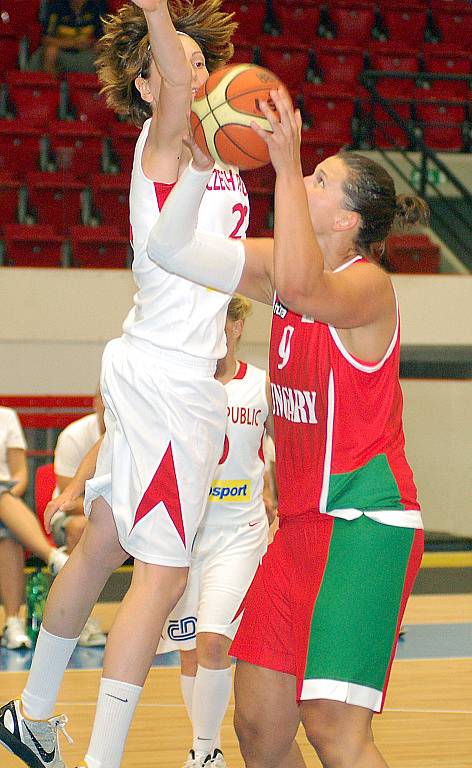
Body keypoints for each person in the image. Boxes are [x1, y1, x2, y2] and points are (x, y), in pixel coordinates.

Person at [142, 87, 428, 768]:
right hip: (299, 528)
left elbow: (303, 288)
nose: (301, 180)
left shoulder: (368, 287)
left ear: (350, 221)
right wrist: (197, 164)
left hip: (365, 523)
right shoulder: (281, 272)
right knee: (259, 729)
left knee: (333, 729)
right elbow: (170, 247)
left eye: (319, 179)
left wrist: (286, 152)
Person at [0, 2, 248, 768]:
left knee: (105, 539)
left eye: (205, 62)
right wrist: (153, 9)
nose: (195, 72)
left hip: (157, 366)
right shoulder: (164, 136)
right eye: (179, 65)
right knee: (165, 576)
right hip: (169, 379)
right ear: (146, 86)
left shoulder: (214, 149)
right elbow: (177, 76)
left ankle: (32, 715)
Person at [158, 295, 275, 768]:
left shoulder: (264, 386)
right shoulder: (181, 385)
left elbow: (285, 449)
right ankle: (207, 745)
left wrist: (282, 502)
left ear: (239, 324)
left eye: (226, 319)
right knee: (189, 653)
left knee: (213, 642)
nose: (217, 329)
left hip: (240, 533)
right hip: (185, 537)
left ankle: (203, 754)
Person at [0, 407, 68, 650]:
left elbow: (20, 475)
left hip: (5, 500)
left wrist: (6, 494)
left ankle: (11, 623)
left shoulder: (6, 417)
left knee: (6, 533)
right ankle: (52, 556)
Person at [51, 390, 107, 647]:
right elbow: (68, 500)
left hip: (122, 515)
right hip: (74, 515)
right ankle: (81, 621)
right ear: (96, 401)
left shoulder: (140, 432)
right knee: (81, 527)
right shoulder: (74, 436)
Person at [29, 0, 105, 75]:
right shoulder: (56, 7)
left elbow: (102, 38)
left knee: (102, 49)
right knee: (50, 51)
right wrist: (70, 44)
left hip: (87, 51)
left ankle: (94, 85)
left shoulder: (96, 7)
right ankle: (52, 85)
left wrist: (89, 43)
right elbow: (46, 39)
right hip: (62, 51)